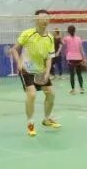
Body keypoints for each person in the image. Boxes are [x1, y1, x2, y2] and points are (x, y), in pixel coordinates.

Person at [11, 9, 61, 137]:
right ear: (36, 20)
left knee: (51, 94)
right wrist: (18, 62)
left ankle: (47, 119)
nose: (45, 20)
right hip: (26, 69)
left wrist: (47, 71)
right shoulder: (27, 33)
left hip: (40, 70)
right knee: (32, 94)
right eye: (42, 18)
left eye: (47, 18)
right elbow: (14, 49)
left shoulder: (50, 37)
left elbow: (49, 57)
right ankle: (30, 123)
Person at [62, 25, 87, 94]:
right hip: (79, 58)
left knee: (72, 74)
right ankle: (81, 88)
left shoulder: (66, 38)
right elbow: (81, 49)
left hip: (71, 59)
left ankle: (73, 90)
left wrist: (62, 35)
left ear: (68, 31)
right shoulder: (79, 38)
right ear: (75, 31)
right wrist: (84, 58)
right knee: (79, 74)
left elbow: (62, 43)